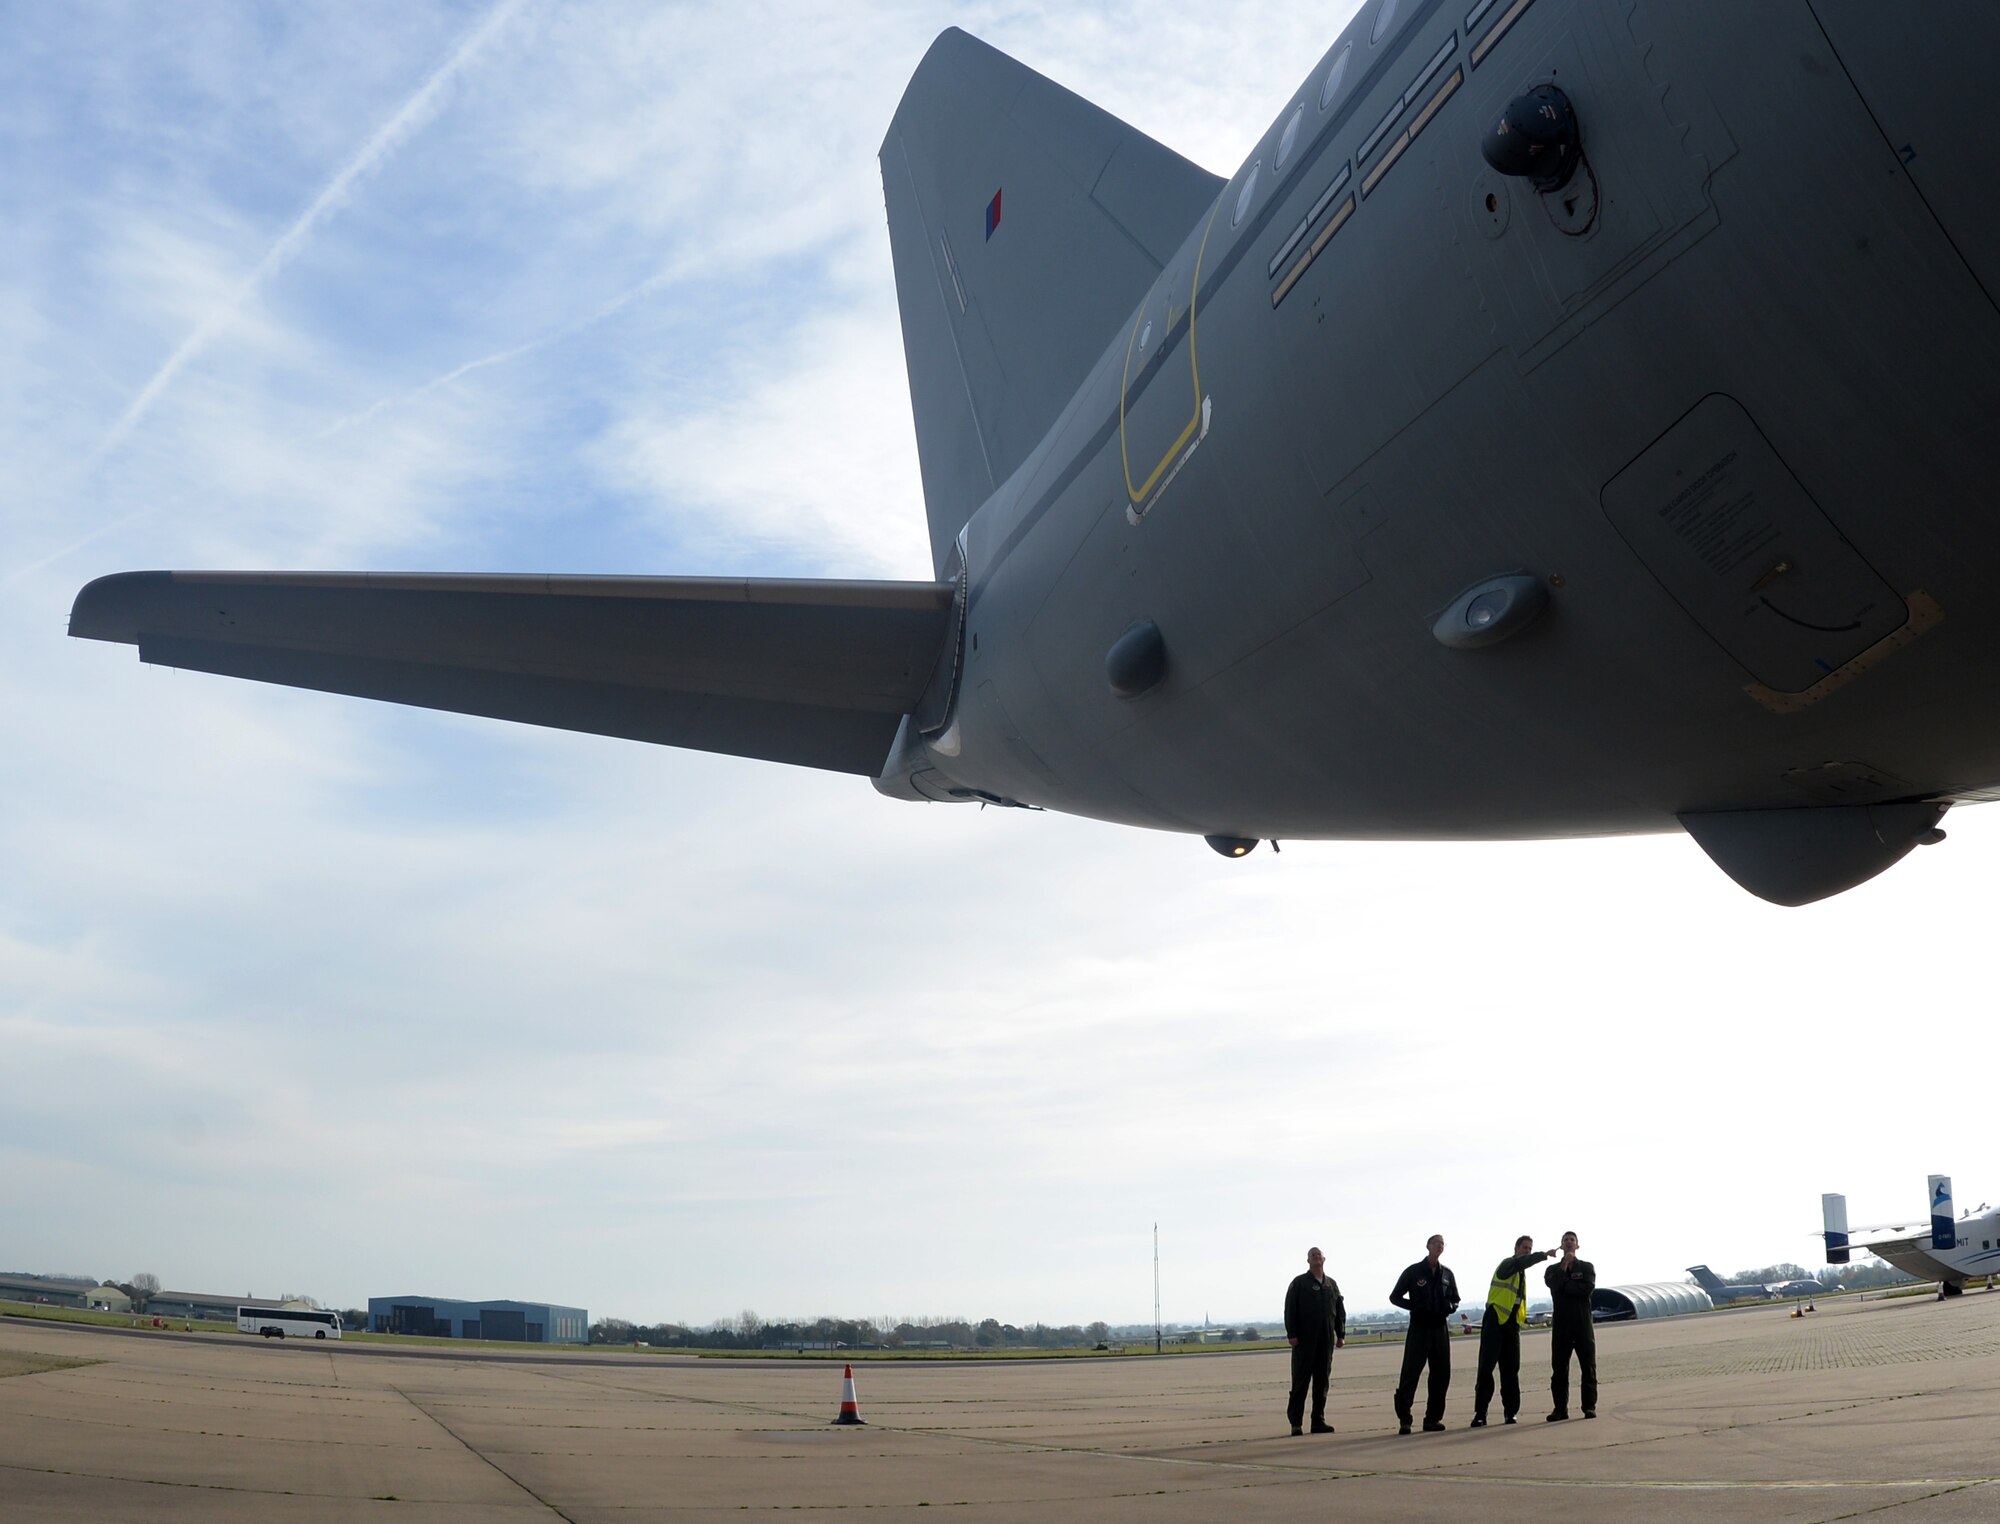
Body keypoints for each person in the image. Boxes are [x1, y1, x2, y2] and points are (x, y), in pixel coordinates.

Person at [1470, 1234, 1553, 1427]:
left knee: (1511, 1370)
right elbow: (1519, 1264)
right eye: (1524, 1248)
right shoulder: (1508, 1265)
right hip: (1495, 1320)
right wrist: (1541, 1255)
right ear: (1516, 1249)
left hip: (1511, 1324)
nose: (1527, 1251)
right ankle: (1480, 1414)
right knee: (1486, 1369)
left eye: (1530, 1249)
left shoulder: (1521, 1273)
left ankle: (1510, 1412)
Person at [1389, 1234, 1460, 1433]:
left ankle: (1432, 1419)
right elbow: (1395, 1297)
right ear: (1427, 1246)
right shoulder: (1413, 1272)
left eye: (1442, 1244)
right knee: (1410, 1374)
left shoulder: (1447, 1274)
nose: (1439, 1246)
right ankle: (1405, 1419)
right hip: (1419, 1328)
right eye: (1436, 1243)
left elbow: (1455, 1298)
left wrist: (1451, 1306)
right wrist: (1415, 1306)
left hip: (1440, 1328)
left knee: (1441, 1375)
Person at [1283, 1246, 1346, 1434]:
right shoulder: (1299, 1283)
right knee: (1300, 1382)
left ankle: (1318, 1421)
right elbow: (1290, 1309)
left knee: (1321, 1382)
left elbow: (1339, 1311)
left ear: (1324, 1259)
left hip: (1325, 1341)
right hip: (1304, 1341)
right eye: (1313, 1255)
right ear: (1308, 1260)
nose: (1316, 1257)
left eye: (1319, 1254)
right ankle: (1296, 1423)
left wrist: (1340, 1334)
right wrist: (1292, 1334)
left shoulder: (1331, 1285)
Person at [1545, 1230, 1597, 1420]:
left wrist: (1566, 1286)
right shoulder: (1552, 1270)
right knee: (1559, 1369)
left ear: (1577, 1245)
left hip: (1582, 1324)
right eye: (1565, 1240)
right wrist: (1564, 1265)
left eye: (1572, 1240)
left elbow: (1586, 1289)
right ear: (1561, 1244)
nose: (1568, 1242)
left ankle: (1589, 1406)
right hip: (1561, 1326)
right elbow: (1554, 1285)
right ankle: (1560, 1409)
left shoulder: (1586, 1267)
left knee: (1588, 1367)